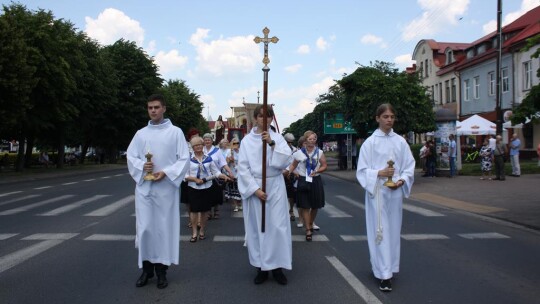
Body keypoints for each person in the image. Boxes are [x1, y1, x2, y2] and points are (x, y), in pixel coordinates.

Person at [126, 94, 190, 289]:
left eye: (156, 107)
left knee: (163, 229)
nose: (152, 110)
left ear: (164, 108)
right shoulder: (140, 134)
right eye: (149, 107)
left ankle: (162, 271)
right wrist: (142, 166)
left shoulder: (175, 132)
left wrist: (167, 172)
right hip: (145, 189)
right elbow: (131, 156)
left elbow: (184, 159)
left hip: (165, 189)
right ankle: (146, 270)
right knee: (145, 229)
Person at [356, 103, 415, 292]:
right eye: (385, 117)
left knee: (393, 232)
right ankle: (383, 274)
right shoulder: (370, 143)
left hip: (395, 192)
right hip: (378, 192)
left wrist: (402, 180)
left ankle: (390, 267)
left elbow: (409, 165)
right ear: (377, 118)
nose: (389, 119)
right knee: (380, 232)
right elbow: (362, 170)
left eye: (392, 116)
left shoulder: (400, 142)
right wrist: (379, 172)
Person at [237, 104, 292, 286]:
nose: (264, 119)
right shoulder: (246, 141)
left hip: (275, 185)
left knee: (277, 227)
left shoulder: (278, 138)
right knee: (258, 228)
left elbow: (285, 160)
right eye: (261, 116)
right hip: (256, 187)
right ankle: (260, 267)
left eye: (268, 116)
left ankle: (277, 267)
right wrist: (255, 189)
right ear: (255, 118)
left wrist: (271, 143)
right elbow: (243, 168)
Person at [184, 136, 230, 242]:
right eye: (196, 145)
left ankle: (202, 230)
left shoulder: (208, 158)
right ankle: (194, 232)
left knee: (205, 211)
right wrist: (195, 179)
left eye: (200, 144)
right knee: (194, 210)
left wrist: (224, 176)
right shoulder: (189, 159)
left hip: (207, 186)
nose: (198, 147)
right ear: (193, 147)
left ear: (203, 146)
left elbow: (216, 172)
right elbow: (185, 176)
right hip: (193, 187)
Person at [287, 130, 327, 242]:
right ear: (305, 140)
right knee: (305, 205)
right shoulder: (299, 153)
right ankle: (308, 229)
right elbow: (293, 165)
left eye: (314, 139)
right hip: (303, 180)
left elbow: (324, 165)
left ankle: (309, 222)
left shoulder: (319, 152)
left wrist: (318, 170)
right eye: (310, 139)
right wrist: (289, 172)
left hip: (315, 179)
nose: (312, 141)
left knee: (315, 205)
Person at [203, 133, 234, 219]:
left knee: (216, 194)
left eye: (208, 140)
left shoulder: (217, 151)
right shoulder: (202, 150)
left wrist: (230, 172)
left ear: (212, 141)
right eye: (205, 140)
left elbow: (223, 163)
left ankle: (216, 210)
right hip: (205, 176)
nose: (207, 141)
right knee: (206, 195)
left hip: (216, 175)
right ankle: (208, 211)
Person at [283, 133, 298, 221]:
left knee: (291, 194)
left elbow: (295, 162)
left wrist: (291, 171)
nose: (290, 144)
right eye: (288, 142)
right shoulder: (280, 149)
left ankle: (291, 210)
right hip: (281, 173)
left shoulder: (295, 150)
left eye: (291, 142)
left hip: (291, 173)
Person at [225, 138, 242, 212]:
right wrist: (229, 160)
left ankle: (240, 203)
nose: (235, 145)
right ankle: (235, 205)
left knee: (240, 190)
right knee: (233, 189)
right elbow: (225, 163)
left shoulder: (242, 151)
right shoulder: (229, 152)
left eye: (237, 143)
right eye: (234, 143)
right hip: (232, 172)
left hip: (241, 172)